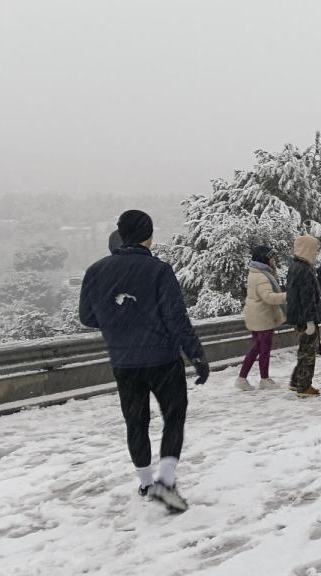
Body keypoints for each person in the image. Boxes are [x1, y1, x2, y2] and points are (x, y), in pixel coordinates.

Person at [79, 210, 209, 512]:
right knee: (173, 418)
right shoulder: (158, 270)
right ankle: (165, 481)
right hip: (162, 358)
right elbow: (177, 318)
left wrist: (120, 322)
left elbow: (87, 317)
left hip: (124, 361)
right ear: (148, 236)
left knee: (135, 422)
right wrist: (197, 355)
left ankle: (146, 482)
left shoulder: (95, 271)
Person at [236, 246, 287, 391]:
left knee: (258, 348)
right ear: (265, 259)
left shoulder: (258, 273)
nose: (274, 260)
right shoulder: (261, 276)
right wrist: (288, 296)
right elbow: (269, 297)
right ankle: (254, 379)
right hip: (262, 317)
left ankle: (250, 378)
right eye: (271, 257)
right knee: (261, 349)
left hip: (258, 315)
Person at [286, 235, 321, 397]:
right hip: (305, 317)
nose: (316, 253)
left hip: (300, 316)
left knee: (304, 349)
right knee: (308, 352)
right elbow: (306, 297)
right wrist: (309, 320)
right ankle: (304, 386)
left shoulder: (295, 266)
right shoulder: (304, 270)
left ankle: (296, 381)